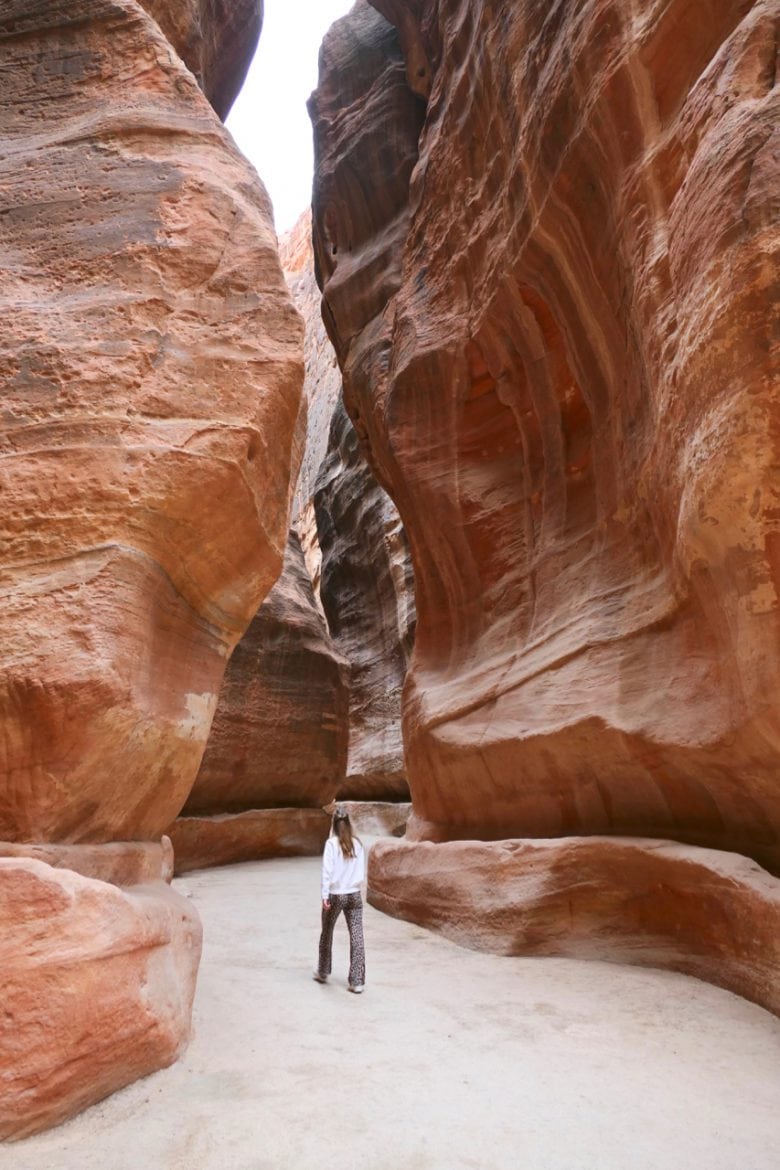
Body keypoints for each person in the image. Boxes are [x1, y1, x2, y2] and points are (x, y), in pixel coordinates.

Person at [313, 805, 366, 993]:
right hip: (354, 894)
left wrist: (324, 895)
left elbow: (327, 872)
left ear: (333, 824)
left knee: (327, 932)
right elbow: (360, 872)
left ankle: (323, 971)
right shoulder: (357, 844)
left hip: (336, 895)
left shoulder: (331, 844)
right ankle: (357, 981)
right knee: (357, 937)